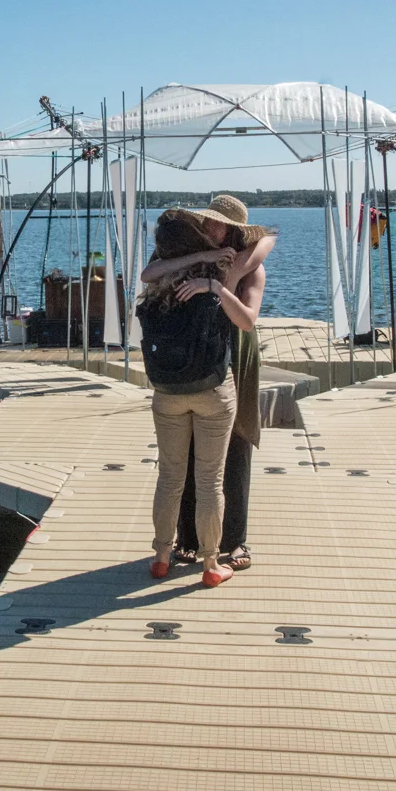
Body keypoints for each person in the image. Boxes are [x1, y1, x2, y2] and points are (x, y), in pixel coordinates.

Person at [138, 208, 245, 587]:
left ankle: (162, 557)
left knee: (169, 478)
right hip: (212, 389)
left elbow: (146, 273)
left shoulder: (159, 276)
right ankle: (211, 564)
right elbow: (245, 318)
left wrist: (197, 254)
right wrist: (210, 260)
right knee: (209, 481)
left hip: (166, 390)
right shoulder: (214, 272)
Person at [169, 197, 274, 572]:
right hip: (198, 354)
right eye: (208, 223)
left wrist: (214, 286)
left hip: (237, 354)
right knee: (191, 445)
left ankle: (235, 541)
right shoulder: (193, 253)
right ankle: (188, 539)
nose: (212, 230)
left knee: (237, 444)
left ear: (233, 231)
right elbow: (153, 274)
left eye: (220, 225)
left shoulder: (249, 269)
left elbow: (246, 319)